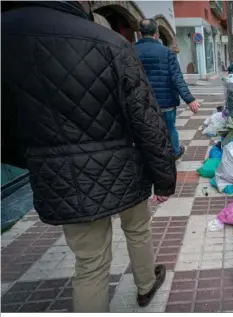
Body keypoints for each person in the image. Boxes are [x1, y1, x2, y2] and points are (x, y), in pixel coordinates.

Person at [2, 1, 175, 312]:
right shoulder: (110, 42)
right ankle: (146, 285)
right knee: (137, 229)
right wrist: (164, 178)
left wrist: (34, 160)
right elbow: (146, 121)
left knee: (90, 262)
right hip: (123, 165)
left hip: (60, 173)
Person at [135, 19, 200, 161]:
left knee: (146, 130)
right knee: (170, 129)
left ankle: (150, 156)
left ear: (140, 34)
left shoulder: (130, 51)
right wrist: (190, 99)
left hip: (142, 102)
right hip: (166, 103)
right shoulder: (166, 52)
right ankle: (175, 152)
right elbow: (177, 77)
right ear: (156, 34)